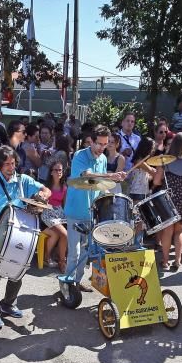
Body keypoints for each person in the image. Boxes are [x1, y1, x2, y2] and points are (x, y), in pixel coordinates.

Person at [0, 147, 51, 330]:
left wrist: (43, 195)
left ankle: (8, 303)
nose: (10, 167)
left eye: (13, 163)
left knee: (19, 270)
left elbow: (46, 190)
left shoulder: (24, 180)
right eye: (6, 164)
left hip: (21, 233)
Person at [61, 125, 127, 292]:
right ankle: (67, 284)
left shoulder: (103, 159)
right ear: (91, 141)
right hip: (75, 211)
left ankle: (77, 280)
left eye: (105, 144)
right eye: (98, 144)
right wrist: (111, 175)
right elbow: (87, 175)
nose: (101, 148)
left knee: (85, 251)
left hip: (91, 213)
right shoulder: (79, 156)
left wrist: (111, 195)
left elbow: (100, 185)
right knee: (74, 252)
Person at [155, 132, 182, 271]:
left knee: (167, 231)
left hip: (168, 199)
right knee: (179, 231)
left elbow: (156, 181)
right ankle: (178, 260)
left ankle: (165, 261)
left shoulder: (165, 160)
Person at [41, 161, 69, 268]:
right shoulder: (46, 187)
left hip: (59, 213)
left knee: (64, 233)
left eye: (60, 170)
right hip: (48, 212)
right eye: (56, 170)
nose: (58, 172)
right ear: (51, 172)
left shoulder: (64, 187)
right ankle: (61, 261)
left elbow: (65, 205)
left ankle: (52, 257)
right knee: (64, 234)